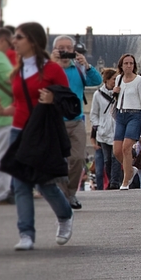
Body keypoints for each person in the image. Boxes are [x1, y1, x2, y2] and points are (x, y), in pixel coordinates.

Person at [0, 22, 74, 250]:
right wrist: (5, 111)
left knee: (45, 183)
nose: (14, 41)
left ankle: (65, 215)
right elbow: (21, 103)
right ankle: (26, 234)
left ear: (32, 41)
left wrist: (52, 100)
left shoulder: (52, 70)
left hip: (40, 134)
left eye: (18, 37)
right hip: (18, 132)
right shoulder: (17, 71)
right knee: (20, 184)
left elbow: (70, 103)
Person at [51, 35, 102, 209]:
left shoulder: (79, 69)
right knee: (58, 161)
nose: (65, 51)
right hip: (54, 121)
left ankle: (70, 193)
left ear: (73, 51)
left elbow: (97, 81)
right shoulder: (49, 68)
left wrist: (87, 65)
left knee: (78, 159)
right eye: (61, 48)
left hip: (76, 120)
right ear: (55, 50)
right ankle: (63, 195)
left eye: (68, 48)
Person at [112, 54, 141, 190]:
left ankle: (125, 181)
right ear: (121, 65)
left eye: (131, 63)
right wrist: (115, 92)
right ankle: (131, 171)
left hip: (135, 115)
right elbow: (118, 99)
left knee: (126, 147)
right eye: (126, 63)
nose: (129, 66)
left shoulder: (139, 80)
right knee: (117, 151)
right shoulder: (118, 79)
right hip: (121, 115)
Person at [0, 28, 15, 203]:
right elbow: (12, 80)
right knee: (1, 154)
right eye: (9, 44)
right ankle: (1, 192)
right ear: (2, 40)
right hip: (1, 111)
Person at [89, 67, 121, 190]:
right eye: (114, 79)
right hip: (103, 132)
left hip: (117, 129)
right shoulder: (98, 95)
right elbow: (94, 114)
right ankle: (111, 179)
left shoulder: (119, 93)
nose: (115, 81)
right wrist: (98, 127)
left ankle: (114, 182)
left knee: (115, 157)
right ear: (107, 80)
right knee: (107, 160)